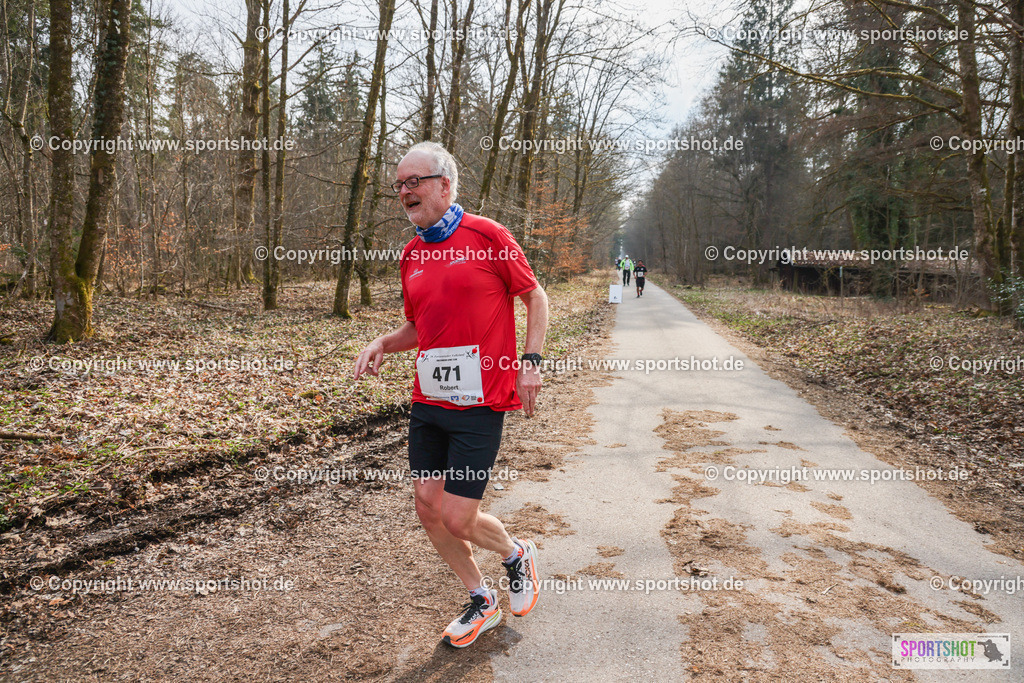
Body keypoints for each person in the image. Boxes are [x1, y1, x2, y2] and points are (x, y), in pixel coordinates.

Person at [353, 141, 548, 649]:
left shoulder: (487, 234)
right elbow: (419, 327)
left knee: (458, 516)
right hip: (428, 401)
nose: (404, 191)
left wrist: (530, 362)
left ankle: (516, 554)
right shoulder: (411, 254)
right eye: (398, 184)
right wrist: (383, 343)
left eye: (413, 181)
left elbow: (534, 296)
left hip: (479, 402)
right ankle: (481, 599)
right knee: (427, 506)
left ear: (444, 184)